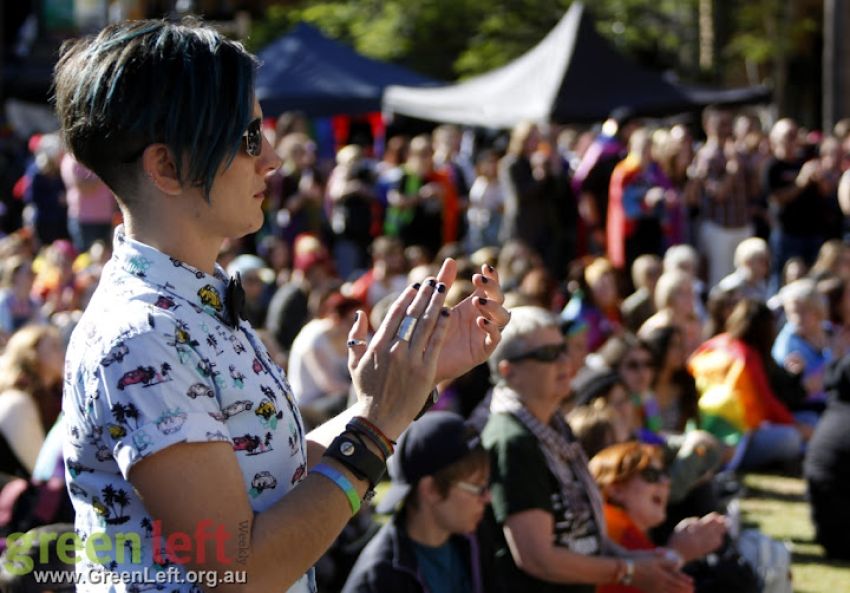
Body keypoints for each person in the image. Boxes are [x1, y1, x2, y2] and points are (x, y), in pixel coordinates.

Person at [55, 19, 510, 593]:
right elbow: (239, 573)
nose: (270, 158)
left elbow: (274, 476)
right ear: (166, 167)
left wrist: (411, 381)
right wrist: (378, 423)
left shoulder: (191, 302)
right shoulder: (144, 334)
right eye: (249, 138)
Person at [481, 306, 692, 593]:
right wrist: (627, 571)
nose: (564, 361)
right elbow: (537, 558)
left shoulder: (554, 426)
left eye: (563, 349)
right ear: (510, 371)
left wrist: (639, 561)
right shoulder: (513, 440)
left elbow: (583, 536)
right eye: (547, 354)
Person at [342, 411, 491, 593]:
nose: (488, 498)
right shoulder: (378, 579)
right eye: (477, 487)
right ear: (431, 489)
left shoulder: (476, 540)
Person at [589, 442, 727, 593]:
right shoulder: (612, 528)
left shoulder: (624, 532)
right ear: (616, 489)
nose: (666, 482)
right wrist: (677, 553)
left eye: (665, 474)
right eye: (651, 475)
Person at [0, 324, 65, 477]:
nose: (63, 353)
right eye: (54, 347)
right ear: (32, 354)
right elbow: (43, 472)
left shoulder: (55, 395)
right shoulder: (16, 402)